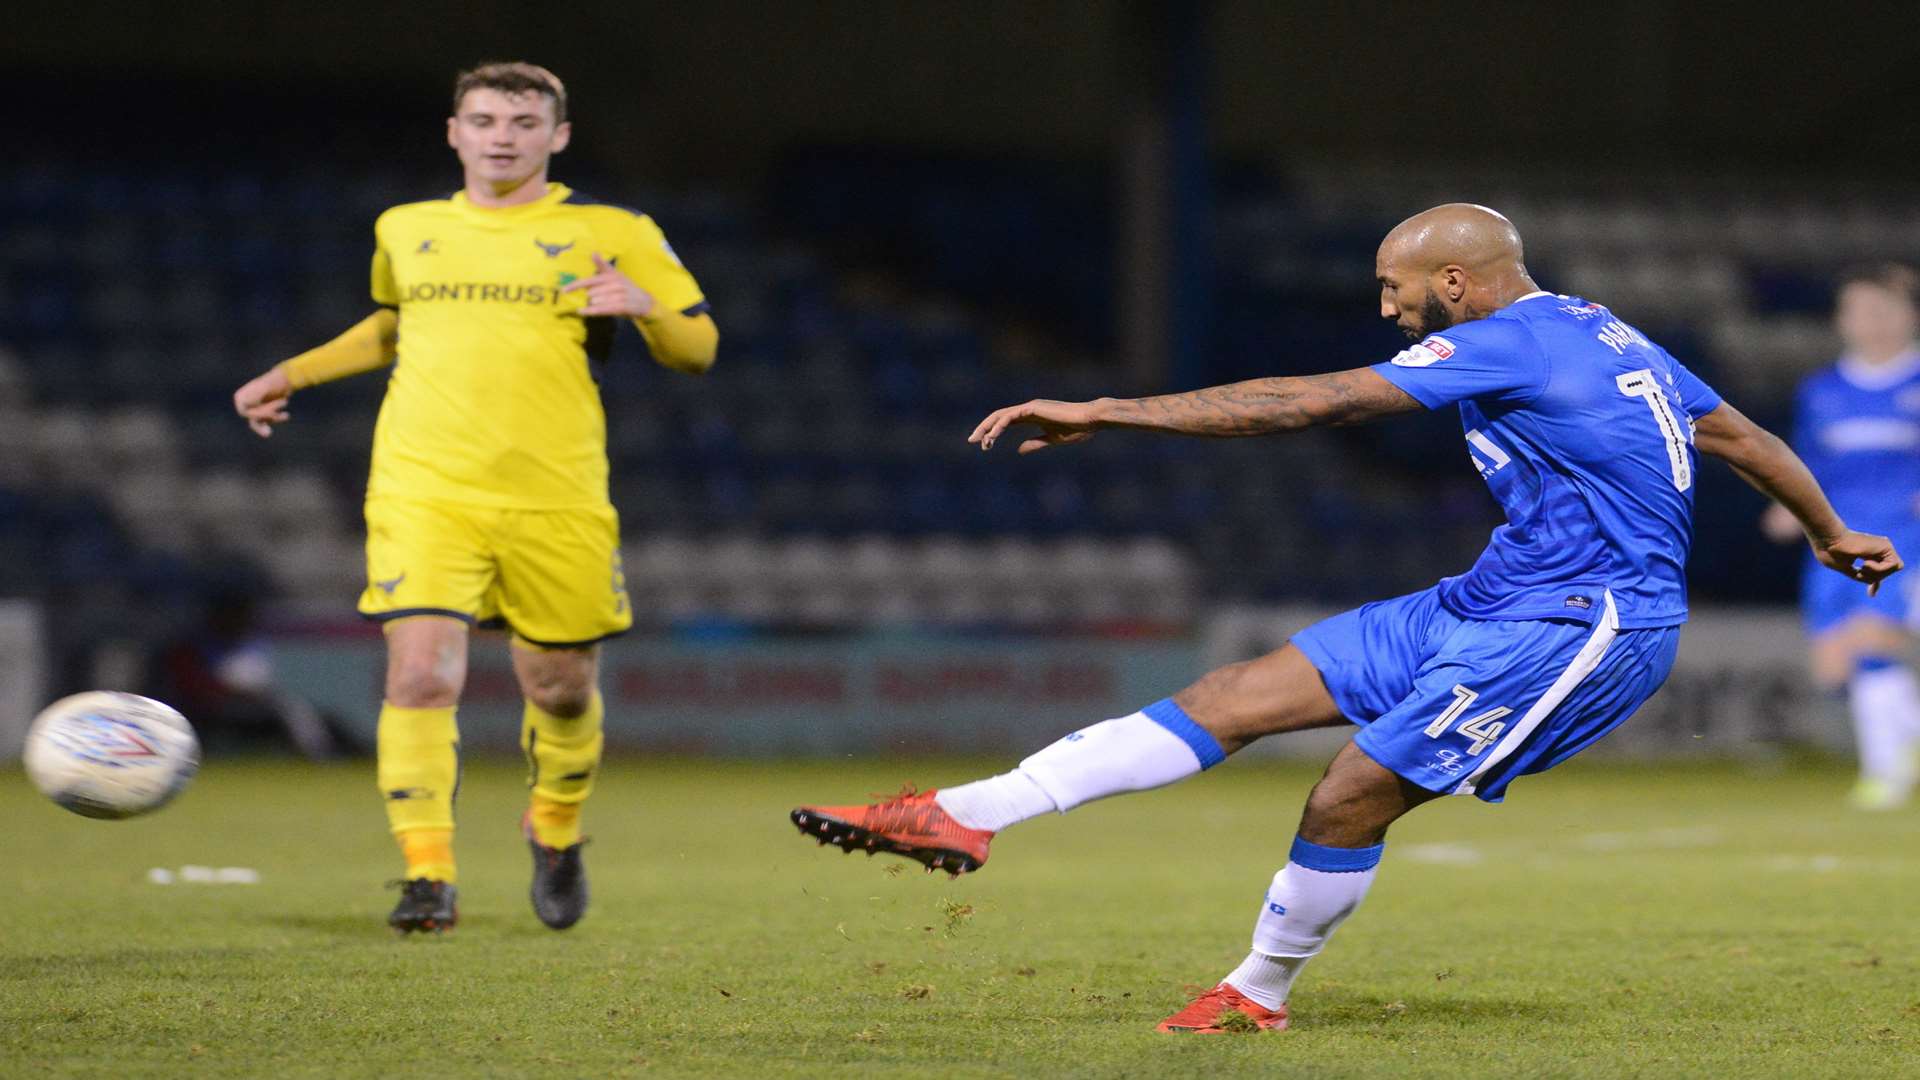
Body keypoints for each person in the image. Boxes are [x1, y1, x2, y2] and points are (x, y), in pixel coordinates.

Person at [788, 205, 1899, 1032]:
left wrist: (1111, 409)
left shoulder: (1508, 339)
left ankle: (1255, 994)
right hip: (1494, 595)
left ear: (1457, 282)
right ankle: (962, 813)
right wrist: (1826, 529)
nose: (1386, 307)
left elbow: (1314, 401)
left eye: (1394, 287)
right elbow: (1744, 440)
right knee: (1232, 698)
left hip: (1589, 620)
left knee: (1352, 787)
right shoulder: (1602, 334)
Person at [232, 62, 717, 934]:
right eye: (485, 118)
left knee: (561, 688)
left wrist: (645, 306)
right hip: (426, 486)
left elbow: (698, 349)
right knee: (420, 675)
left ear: (556, 137)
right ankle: (428, 876)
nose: (503, 135)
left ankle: (556, 832)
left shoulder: (613, 229)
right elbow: (394, 324)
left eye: (524, 122)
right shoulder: (406, 228)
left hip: (556, 496)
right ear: (453, 132)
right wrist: (291, 371)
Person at [1762, 264, 1920, 809]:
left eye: (1884, 311)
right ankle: (1906, 744)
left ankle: (1885, 775)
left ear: (1910, 316)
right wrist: (1788, 507)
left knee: (1873, 642)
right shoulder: (1822, 391)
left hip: (1904, 540)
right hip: (1833, 542)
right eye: (1860, 311)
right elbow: (1807, 462)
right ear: (1841, 320)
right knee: (1834, 666)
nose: (1872, 323)